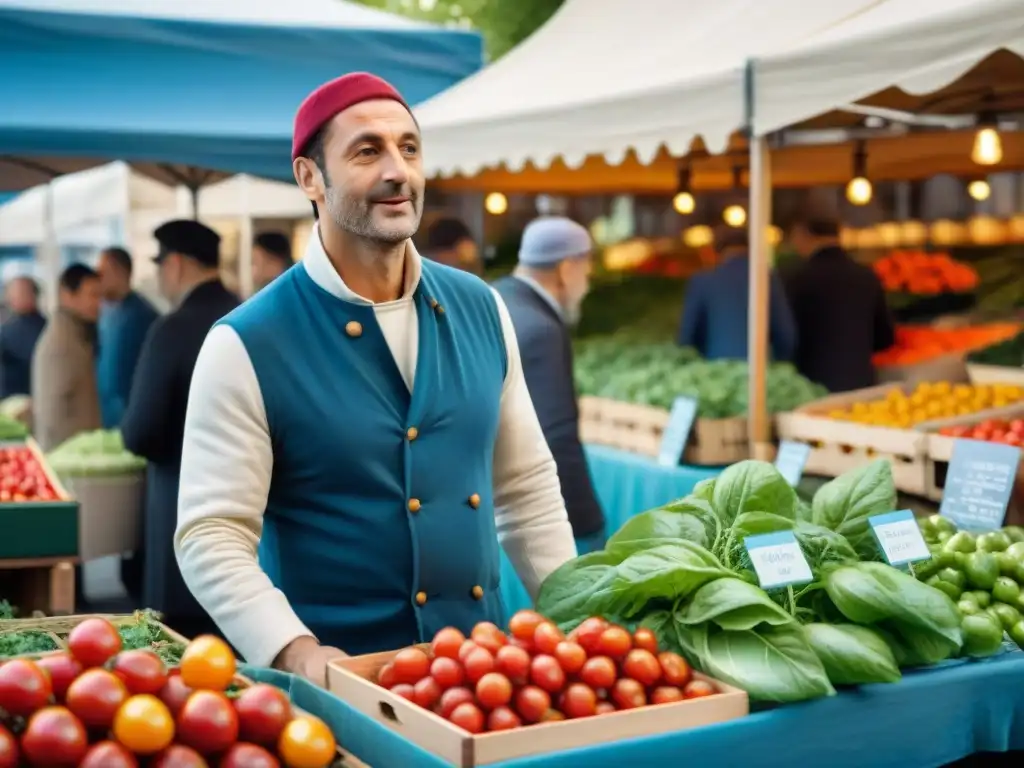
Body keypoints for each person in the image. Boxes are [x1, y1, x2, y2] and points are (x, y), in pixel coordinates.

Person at [174, 72, 576, 685]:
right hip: (340, 690)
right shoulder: (245, 343)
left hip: (484, 679)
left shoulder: (482, 308)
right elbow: (211, 533)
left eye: (409, 148)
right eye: (368, 151)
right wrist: (296, 650)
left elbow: (525, 490)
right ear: (309, 176)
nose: (398, 171)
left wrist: (579, 627)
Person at [121, 221, 239, 637]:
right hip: (251, 531)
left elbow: (140, 433)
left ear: (175, 265)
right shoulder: (251, 316)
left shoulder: (172, 329)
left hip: (182, 520)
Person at [492, 217, 606, 551]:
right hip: (534, 514)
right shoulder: (542, 330)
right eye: (586, 272)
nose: (586, 283)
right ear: (568, 268)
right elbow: (556, 436)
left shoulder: (496, 298)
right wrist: (587, 526)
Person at [785, 215, 895, 392]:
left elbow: (787, 336)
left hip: (811, 386)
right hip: (861, 384)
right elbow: (885, 337)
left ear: (803, 234)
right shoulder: (866, 276)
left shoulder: (797, 278)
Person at [678, 226, 797, 362]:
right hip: (760, 370)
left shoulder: (703, 281)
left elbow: (687, 336)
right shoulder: (767, 278)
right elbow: (785, 333)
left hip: (716, 369)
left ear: (717, 251)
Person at [31, 265, 102, 451]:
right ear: (67, 295)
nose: (98, 303)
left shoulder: (76, 335)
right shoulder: (61, 343)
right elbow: (50, 415)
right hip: (67, 461)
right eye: (92, 295)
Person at [96, 247, 159, 428]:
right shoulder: (104, 315)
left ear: (119, 272)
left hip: (131, 419)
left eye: (102, 273)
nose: (97, 280)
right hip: (104, 418)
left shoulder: (144, 317)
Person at [0, 276, 46, 399]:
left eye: (19, 292)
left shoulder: (44, 328)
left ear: (33, 294)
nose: (11, 298)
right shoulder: (7, 327)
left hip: (29, 400)